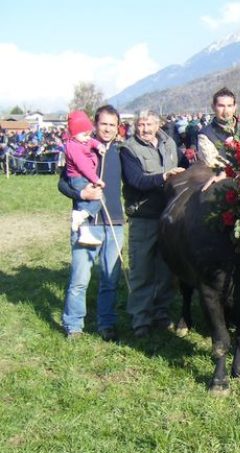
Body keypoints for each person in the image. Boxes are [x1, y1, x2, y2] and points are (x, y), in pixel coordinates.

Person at [59, 105, 124, 341]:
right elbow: (62, 184)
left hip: (115, 222)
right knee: (79, 279)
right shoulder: (80, 147)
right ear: (95, 125)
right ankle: (73, 325)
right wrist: (82, 195)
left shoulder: (121, 151)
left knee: (110, 279)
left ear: (118, 128)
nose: (107, 129)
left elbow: (138, 178)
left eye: (112, 125)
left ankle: (106, 323)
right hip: (89, 223)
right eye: (103, 124)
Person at [121, 110, 185, 338]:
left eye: (149, 124)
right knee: (142, 270)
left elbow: (185, 164)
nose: (144, 129)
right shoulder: (129, 149)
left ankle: (161, 313)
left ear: (158, 124)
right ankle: (141, 319)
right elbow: (135, 180)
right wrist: (163, 177)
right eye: (140, 124)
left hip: (168, 218)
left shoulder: (169, 144)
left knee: (165, 271)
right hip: (144, 217)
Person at [63, 110, 106, 247]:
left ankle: (83, 222)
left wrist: (98, 145)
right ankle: (81, 218)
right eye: (85, 135)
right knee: (92, 200)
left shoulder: (82, 140)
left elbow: (91, 142)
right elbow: (83, 167)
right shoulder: (73, 147)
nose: (88, 137)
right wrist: (96, 180)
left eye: (89, 134)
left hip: (83, 177)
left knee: (96, 200)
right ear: (74, 133)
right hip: (78, 178)